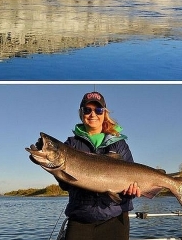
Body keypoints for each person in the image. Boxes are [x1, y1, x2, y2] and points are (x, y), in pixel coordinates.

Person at [60, 91, 141, 240]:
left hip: (115, 219)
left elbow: (133, 177)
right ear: (81, 113)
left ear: (104, 113)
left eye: (98, 110)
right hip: (80, 219)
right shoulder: (71, 145)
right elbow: (65, 185)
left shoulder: (120, 144)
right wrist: (54, 169)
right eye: (87, 110)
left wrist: (132, 191)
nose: (93, 114)